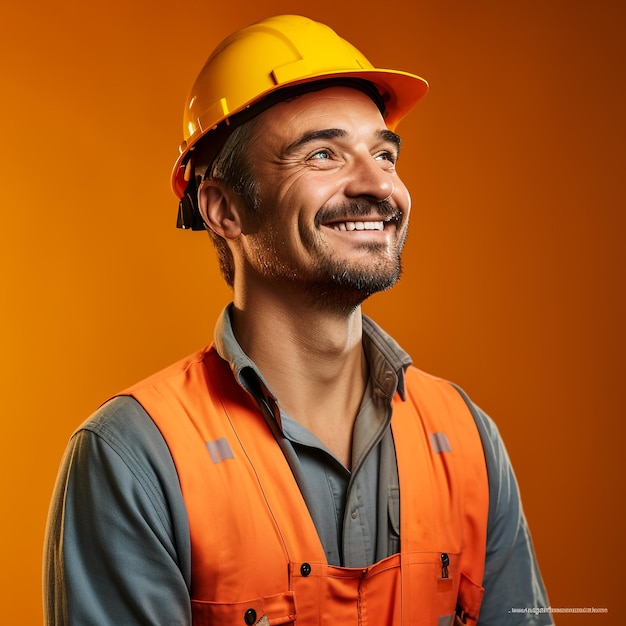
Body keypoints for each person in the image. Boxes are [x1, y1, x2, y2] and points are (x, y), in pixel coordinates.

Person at [44, 14, 553, 626]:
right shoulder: (137, 459)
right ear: (224, 208)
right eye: (322, 154)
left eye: (384, 155)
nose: (377, 185)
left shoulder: (467, 442)